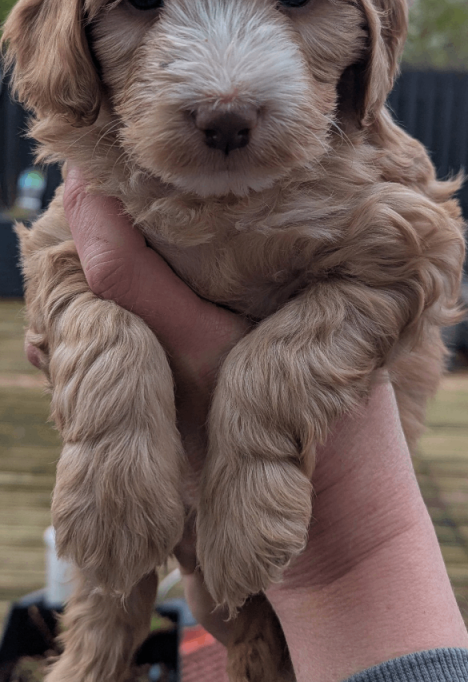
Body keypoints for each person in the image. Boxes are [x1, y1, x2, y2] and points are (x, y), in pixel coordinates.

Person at [27, 168, 468, 682]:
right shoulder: (100, 164)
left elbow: (418, 248)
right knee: (107, 614)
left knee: (254, 633)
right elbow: (61, 259)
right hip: (321, 582)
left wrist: (269, 435)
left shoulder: (366, 173)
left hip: (317, 529)